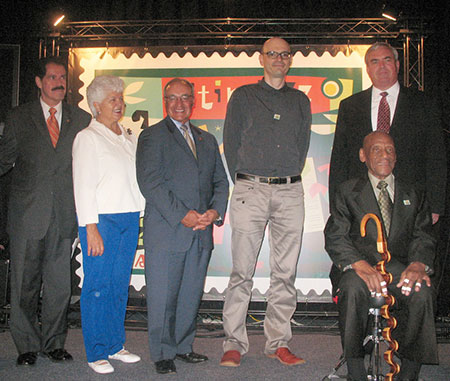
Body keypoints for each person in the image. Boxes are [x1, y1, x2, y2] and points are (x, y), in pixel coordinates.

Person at [220, 37, 311, 367]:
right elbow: (230, 146)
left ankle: (278, 343)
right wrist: (247, 181)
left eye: (285, 54)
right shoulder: (243, 96)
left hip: (290, 192)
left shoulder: (301, 100)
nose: (279, 59)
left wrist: (282, 177)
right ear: (261, 59)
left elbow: (301, 148)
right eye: (272, 53)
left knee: (285, 274)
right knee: (241, 273)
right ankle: (233, 343)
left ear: (290, 60)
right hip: (251, 190)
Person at [324, 131, 438, 381]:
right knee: (353, 288)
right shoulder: (347, 191)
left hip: (399, 269)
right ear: (363, 155)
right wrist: (359, 264)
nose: (384, 155)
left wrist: (419, 263)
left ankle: (408, 371)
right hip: (358, 268)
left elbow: (424, 236)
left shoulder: (413, 193)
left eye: (389, 150)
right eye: (376, 149)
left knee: (422, 290)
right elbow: (335, 235)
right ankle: (355, 369)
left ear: (396, 156)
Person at [0, 56, 91, 366]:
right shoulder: (18, 117)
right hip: (28, 215)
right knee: (24, 284)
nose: (59, 82)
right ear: (39, 82)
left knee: (58, 287)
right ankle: (26, 345)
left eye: (63, 77)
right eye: (52, 77)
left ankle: (54, 343)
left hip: (65, 215)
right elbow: (4, 160)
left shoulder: (81, 119)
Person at [136, 78, 229, 375]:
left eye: (185, 98)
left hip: (202, 231)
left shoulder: (207, 139)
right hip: (168, 230)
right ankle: (162, 352)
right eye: (172, 98)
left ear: (194, 101)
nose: (179, 104)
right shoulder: (152, 136)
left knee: (190, 293)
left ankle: (183, 346)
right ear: (165, 102)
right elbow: (151, 183)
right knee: (163, 295)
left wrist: (214, 211)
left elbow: (220, 182)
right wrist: (184, 215)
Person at [72, 75, 145, 374]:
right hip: (101, 221)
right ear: (96, 105)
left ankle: (115, 345)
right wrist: (90, 227)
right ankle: (95, 351)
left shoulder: (125, 136)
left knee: (118, 286)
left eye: (121, 98)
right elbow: (83, 186)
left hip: (129, 218)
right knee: (97, 287)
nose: (120, 103)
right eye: (113, 99)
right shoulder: (87, 138)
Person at [329, 42, 446, 225]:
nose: (381, 66)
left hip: (412, 201)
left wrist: (436, 205)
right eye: (374, 62)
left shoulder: (424, 103)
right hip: (361, 201)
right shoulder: (350, 106)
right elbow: (340, 158)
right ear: (367, 69)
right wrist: (336, 207)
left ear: (397, 65)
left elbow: (436, 156)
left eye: (387, 60)